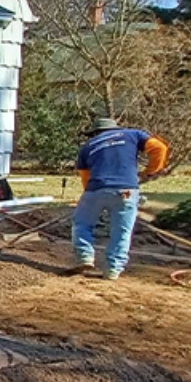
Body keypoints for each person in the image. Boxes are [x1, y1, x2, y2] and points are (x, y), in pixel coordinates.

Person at [65, 118, 169, 280]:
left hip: (96, 189)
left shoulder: (88, 147)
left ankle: (85, 257)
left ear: (95, 133)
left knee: (82, 223)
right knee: (122, 231)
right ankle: (113, 269)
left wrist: (93, 195)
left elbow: (85, 177)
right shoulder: (133, 134)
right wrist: (151, 170)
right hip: (126, 190)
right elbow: (159, 148)